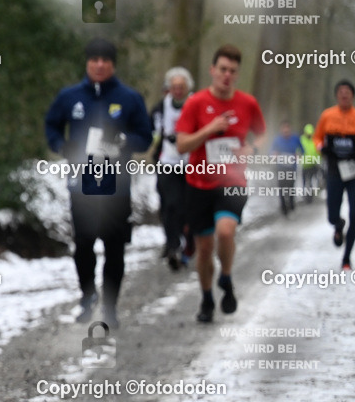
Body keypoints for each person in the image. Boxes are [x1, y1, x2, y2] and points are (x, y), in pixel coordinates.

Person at [45, 38, 152, 329]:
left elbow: (146, 137)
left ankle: (110, 306)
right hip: (82, 181)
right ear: (87, 63)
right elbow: (51, 125)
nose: (100, 65)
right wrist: (61, 145)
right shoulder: (70, 97)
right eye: (94, 60)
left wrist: (125, 141)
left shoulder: (129, 98)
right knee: (83, 244)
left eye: (106, 60)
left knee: (115, 247)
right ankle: (87, 296)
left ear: (113, 64)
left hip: (116, 183)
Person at [175, 45, 266, 323]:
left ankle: (225, 277)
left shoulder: (248, 103)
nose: (227, 75)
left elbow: (261, 135)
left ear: (238, 74)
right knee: (204, 248)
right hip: (199, 183)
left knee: (225, 232)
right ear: (212, 70)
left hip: (233, 181)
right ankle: (206, 298)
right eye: (223, 69)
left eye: (233, 71)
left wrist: (253, 149)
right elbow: (181, 145)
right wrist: (209, 130)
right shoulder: (196, 103)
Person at [150, 67, 194, 270]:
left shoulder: (196, 104)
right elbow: (151, 130)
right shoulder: (161, 107)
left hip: (192, 162)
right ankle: (173, 245)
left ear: (188, 88)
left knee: (188, 207)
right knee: (169, 205)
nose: (177, 90)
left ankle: (189, 242)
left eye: (181, 87)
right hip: (167, 162)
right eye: (174, 87)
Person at [312, 79, 355, 268]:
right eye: (341, 92)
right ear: (337, 95)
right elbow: (316, 138)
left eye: (348, 92)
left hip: (354, 173)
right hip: (335, 172)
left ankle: (346, 258)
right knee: (331, 215)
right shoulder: (327, 116)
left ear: (352, 95)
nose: (344, 95)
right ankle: (338, 224)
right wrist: (322, 147)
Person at [270, 121, 303, 215]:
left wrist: (299, 154)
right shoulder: (277, 140)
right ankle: (284, 207)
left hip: (292, 167)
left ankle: (292, 205)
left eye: (287, 128)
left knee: (291, 187)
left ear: (290, 129)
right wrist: (274, 154)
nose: (285, 130)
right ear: (281, 130)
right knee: (281, 187)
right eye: (283, 129)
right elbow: (271, 151)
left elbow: (302, 150)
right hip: (280, 167)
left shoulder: (295, 138)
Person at [299, 122, 322, 201]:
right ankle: (306, 195)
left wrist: (319, 160)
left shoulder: (315, 140)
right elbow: (298, 151)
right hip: (305, 165)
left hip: (313, 164)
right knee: (305, 180)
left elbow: (318, 151)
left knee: (313, 180)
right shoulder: (301, 140)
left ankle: (311, 194)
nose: (309, 135)